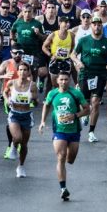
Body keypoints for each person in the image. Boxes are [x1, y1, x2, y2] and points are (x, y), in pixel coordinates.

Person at [39, 71, 89, 200]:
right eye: (61, 79)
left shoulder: (75, 93)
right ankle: (63, 188)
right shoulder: (52, 93)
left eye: (66, 79)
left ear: (69, 81)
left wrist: (76, 115)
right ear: (57, 81)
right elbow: (46, 105)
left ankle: (66, 160)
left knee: (70, 160)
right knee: (61, 157)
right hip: (59, 131)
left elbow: (87, 109)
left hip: (74, 131)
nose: (63, 82)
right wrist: (43, 122)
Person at [72, 18, 107, 142]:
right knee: (85, 101)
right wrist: (78, 62)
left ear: (101, 26)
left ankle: (91, 132)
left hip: (100, 74)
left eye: (99, 25)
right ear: (91, 26)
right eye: (94, 24)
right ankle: (85, 114)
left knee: (96, 102)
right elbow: (73, 55)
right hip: (85, 74)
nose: (96, 27)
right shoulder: (83, 41)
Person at [4, 61, 39, 178]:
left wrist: (33, 100)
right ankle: (13, 146)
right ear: (17, 71)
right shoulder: (11, 83)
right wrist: (7, 99)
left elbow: (36, 101)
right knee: (17, 137)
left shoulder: (32, 85)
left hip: (26, 115)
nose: (23, 72)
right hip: (14, 114)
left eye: (25, 70)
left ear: (28, 72)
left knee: (24, 143)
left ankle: (21, 166)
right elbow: (4, 93)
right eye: (21, 70)